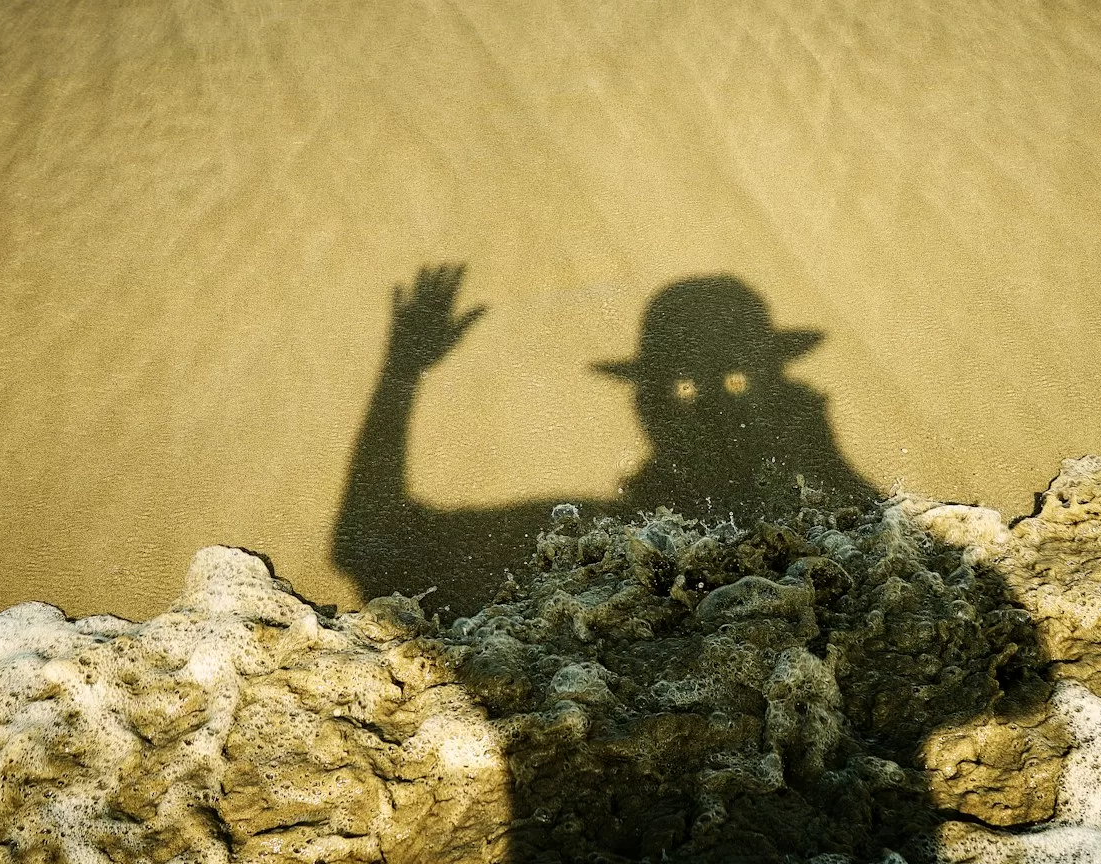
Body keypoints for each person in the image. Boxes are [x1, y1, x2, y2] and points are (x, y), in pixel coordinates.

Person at [333, 264, 876, 616]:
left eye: (736, 382)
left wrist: (400, 378)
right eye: (688, 387)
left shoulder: (595, 547)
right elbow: (376, 547)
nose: (715, 408)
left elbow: (372, 546)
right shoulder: (601, 545)